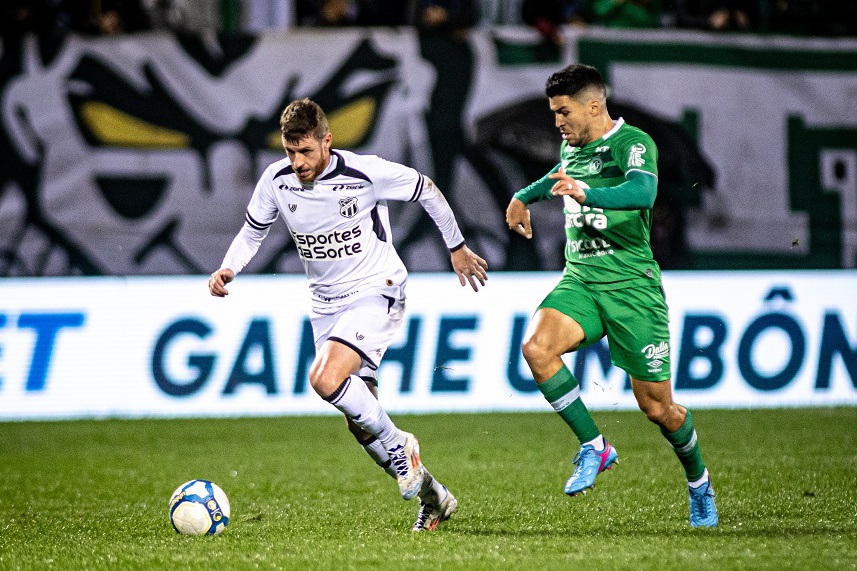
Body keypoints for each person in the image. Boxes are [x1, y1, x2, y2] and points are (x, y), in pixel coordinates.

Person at [209, 98, 488, 532]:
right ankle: (434, 498)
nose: (298, 162)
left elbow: (426, 189)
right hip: (325, 306)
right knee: (361, 423)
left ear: (327, 141)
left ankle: (402, 445)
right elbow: (252, 231)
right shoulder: (276, 181)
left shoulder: (365, 172)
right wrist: (229, 267)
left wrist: (455, 247)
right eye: (289, 152)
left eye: (306, 151)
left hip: (377, 289)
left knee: (324, 379)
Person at [504, 64, 718, 527]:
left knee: (658, 408)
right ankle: (594, 446)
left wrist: (588, 195)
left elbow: (643, 192)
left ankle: (698, 481)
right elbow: (560, 176)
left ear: (594, 106)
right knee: (537, 349)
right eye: (554, 113)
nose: (557, 122)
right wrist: (524, 196)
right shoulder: (571, 146)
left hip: (632, 289)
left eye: (564, 112)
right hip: (581, 280)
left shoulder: (633, 143)